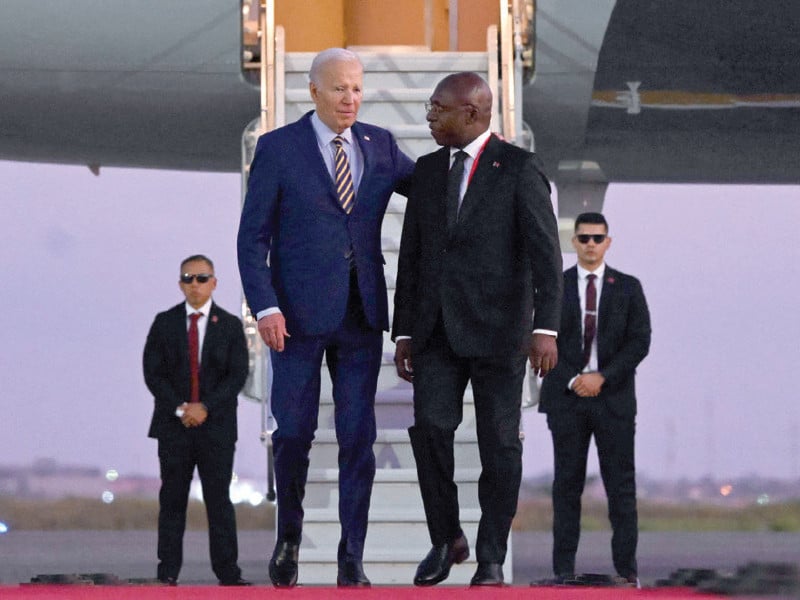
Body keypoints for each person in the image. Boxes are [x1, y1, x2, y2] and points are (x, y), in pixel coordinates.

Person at [237, 48, 414, 588]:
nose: (350, 99)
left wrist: (482, 163)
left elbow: (429, 187)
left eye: (357, 89)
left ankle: (350, 556)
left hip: (360, 314)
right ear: (313, 91)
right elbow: (252, 238)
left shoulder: (379, 145)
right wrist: (264, 305)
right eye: (339, 89)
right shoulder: (278, 149)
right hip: (292, 318)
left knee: (358, 435)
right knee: (293, 433)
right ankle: (289, 535)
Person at [392, 72, 563, 587]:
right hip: (437, 332)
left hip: (500, 333)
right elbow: (412, 257)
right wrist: (403, 332)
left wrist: (547, 328)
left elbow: (546, 256)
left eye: (437, 107)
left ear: (471, 111)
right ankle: (447, 538)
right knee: (431, 431)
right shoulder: (425, 172)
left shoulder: (518, 168)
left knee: (499, 445)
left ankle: (491, 555)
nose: (428, 116)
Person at [539, 212, 651, 586]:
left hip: (613, 400)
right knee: (566, 486)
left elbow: (640, 341)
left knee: (620, 487)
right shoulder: (556, 285)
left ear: (608, 242)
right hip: (567, 399)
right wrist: (575, 379)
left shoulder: (628, 287)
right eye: (583, 237)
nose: (590, 244)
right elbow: (542, 336)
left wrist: (602, 377)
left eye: (597, 238)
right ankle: (563, 571)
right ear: (574, 242)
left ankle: (626, 570)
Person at [143, 254, 250, 587]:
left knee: (219, 501)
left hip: (216, 428)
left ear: (214, 282)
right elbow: (152, 372)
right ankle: (168, 571)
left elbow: (237, 375)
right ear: (180, 284)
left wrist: (204, 407)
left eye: (202, 278)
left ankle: (228, 573)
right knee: (172, 499)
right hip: (174, 428)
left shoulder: (230, 325)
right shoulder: (164, 322)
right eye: (188, 278)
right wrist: (181, 408)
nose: (195, 284)